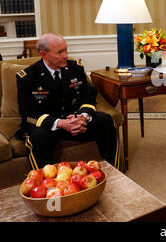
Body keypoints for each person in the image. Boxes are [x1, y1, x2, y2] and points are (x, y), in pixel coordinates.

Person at [15, 33, 120, 170]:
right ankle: (44, 183)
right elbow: (28, 114)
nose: (65, 55)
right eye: (59, 52)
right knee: (38, 137)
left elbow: (87, 97)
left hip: (75, 122)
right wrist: (61, 123)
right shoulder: (27, 77)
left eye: (66, 50)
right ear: (43, 54)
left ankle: (116, 171)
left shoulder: (75, 68)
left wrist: (84, 116)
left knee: (105, 120)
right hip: (48, 127)